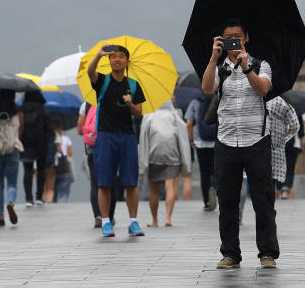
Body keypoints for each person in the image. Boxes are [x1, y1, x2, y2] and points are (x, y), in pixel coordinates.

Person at [201, 18, 279, 269]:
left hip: (256, 139)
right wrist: (213, 58)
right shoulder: (220, 67)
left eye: (237, 36)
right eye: (227, 38)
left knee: (263, 199)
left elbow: (264, 88)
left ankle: (267, 252)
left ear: (246, 38)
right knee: (227, 200)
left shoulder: (260, 64)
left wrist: (247, 68)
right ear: (221, 41)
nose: (233, 41)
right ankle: (230, 253)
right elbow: (206, 89)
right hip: (226, 140)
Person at [87, 43, 146, 238]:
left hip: (128, 135)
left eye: (121, 56)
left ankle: (133, 222)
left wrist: (130, 104)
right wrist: (98, 55)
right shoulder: (102, 81)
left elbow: (139, 113)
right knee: (104, 182)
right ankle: (105, 222)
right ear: (109, 61)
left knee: (131, 182)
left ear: (127, 61)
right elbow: (90, 72)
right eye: (113, 57)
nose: (117, 59)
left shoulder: (134, 85)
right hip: (105, 135)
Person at [138, 98, 192, 227]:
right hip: (171, 154)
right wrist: (185, 160)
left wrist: (142, 161)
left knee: (153, 190)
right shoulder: (174, 115)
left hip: (153, 155)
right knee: (170, 187)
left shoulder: (149, 116)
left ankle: (155, 220)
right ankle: (168, 218)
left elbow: (143, 137)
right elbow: (183, 136)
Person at [0, 90, 23, 227]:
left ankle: (0, 216)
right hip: (12, 150)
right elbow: (19, 133)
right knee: (12, 184)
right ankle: (11, 202)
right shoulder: (18, 114)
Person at [78, 102, 117, 228]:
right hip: (110, 147)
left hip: (93, 149)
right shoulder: (112, 100)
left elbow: (80, 129)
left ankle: (98, 217)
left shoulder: (86, 105)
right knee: (111, 182)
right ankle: (109, 217)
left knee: (95, 184)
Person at [185, 95, 217, 211]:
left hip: (200, 143)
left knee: (204, 174)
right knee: (216, 171)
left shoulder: (195, 102)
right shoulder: (217, 99)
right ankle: (215, 191)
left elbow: (189, 123)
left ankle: (207, 202)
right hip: (216, 142)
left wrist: (191, 140)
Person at [19, 90, 50, 207]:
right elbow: (49, 129)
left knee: (28, 171)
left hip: (25, 145)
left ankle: (28, 198)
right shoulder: (44, 110)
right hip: (41, 145)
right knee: (41, 171)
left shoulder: (21, 110)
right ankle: (39, 197)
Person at [267, 97, 299, 199]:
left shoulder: (267, 104)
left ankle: (278, 190)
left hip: (269, 144)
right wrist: (284, 135)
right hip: (290, 144)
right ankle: (284, 190)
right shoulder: (289, 107)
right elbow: (297, 128)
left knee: (272, 168)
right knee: (288, 168)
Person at [277, 114, 304, 199]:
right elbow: (301, 131)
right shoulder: (296, 112)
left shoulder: (276, 109)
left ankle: (279, 188)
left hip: (278, 143)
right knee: (290, 168)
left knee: (279, 167)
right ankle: (285, 190)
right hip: (293, 145)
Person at [53, 121, 73, 203]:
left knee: (51, 192)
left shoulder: (50, 138)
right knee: (63, 194)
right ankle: (62, 208)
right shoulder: (66, 139)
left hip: (52, 167)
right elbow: (70, 154)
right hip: (64, 167)